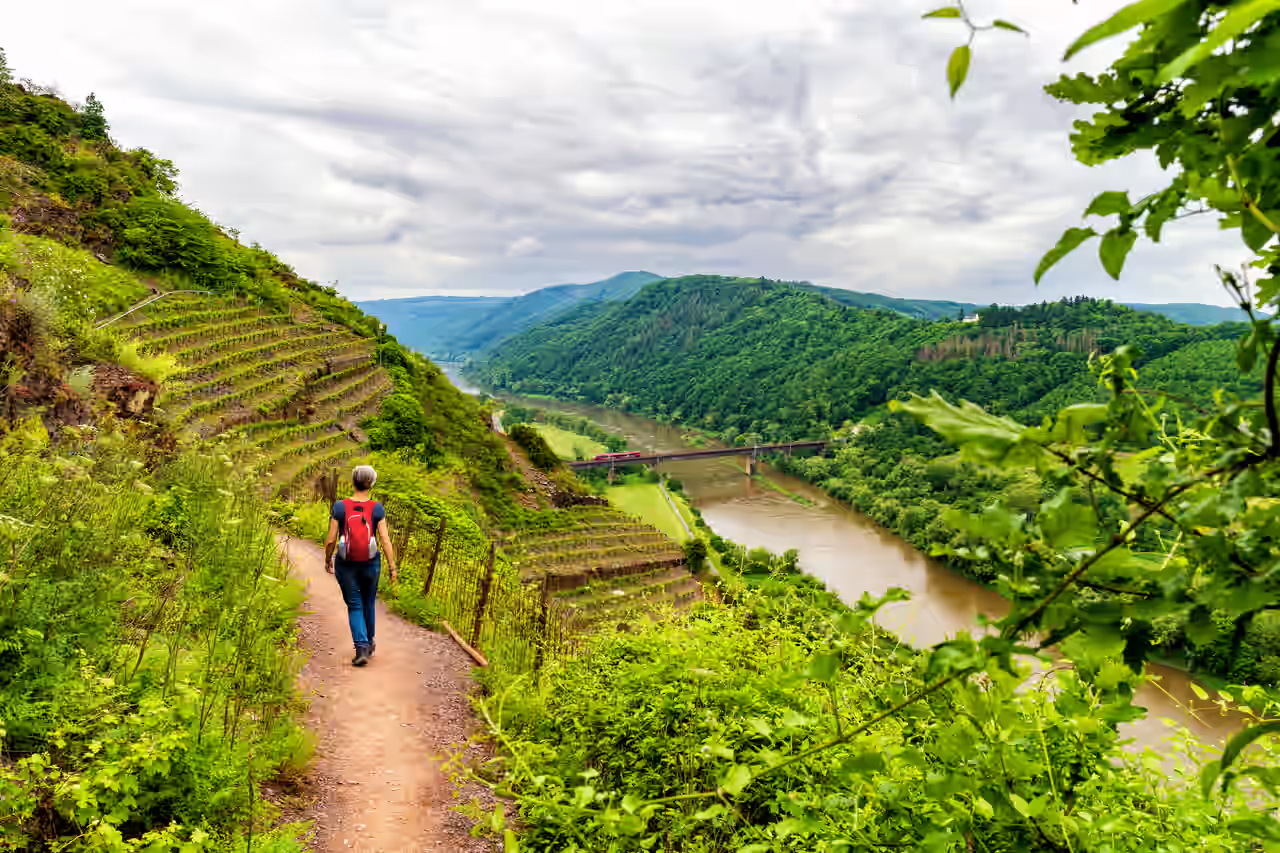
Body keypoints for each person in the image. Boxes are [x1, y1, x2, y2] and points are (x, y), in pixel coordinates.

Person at [324, 464, 398, 666]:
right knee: (368, 602)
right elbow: (385, 539)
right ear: (371, 484)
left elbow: (331, 540)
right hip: (371, 563)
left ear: (353, 481)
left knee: (355, 605)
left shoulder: (340, 507)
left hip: (346, 564)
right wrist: (392, 567)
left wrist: (328, 559)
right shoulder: (377, 508)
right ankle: (369, 642)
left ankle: (361, 648)